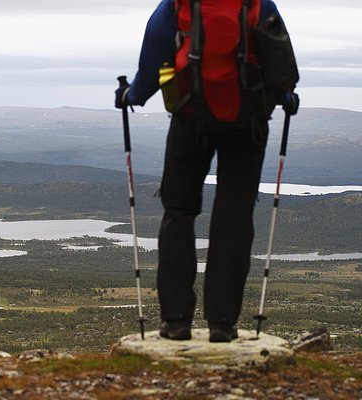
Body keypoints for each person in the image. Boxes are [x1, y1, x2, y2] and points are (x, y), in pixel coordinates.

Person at [115, 0, 299, 342]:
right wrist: (286, 97)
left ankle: (176, 321)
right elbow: (281, 65)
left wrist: (131, 94)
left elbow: (152, 64)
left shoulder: (176, 6)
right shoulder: (258, 4)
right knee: (234, 216)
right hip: (248, 125)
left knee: (179, 211)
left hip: (189, 119)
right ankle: (223, 323)